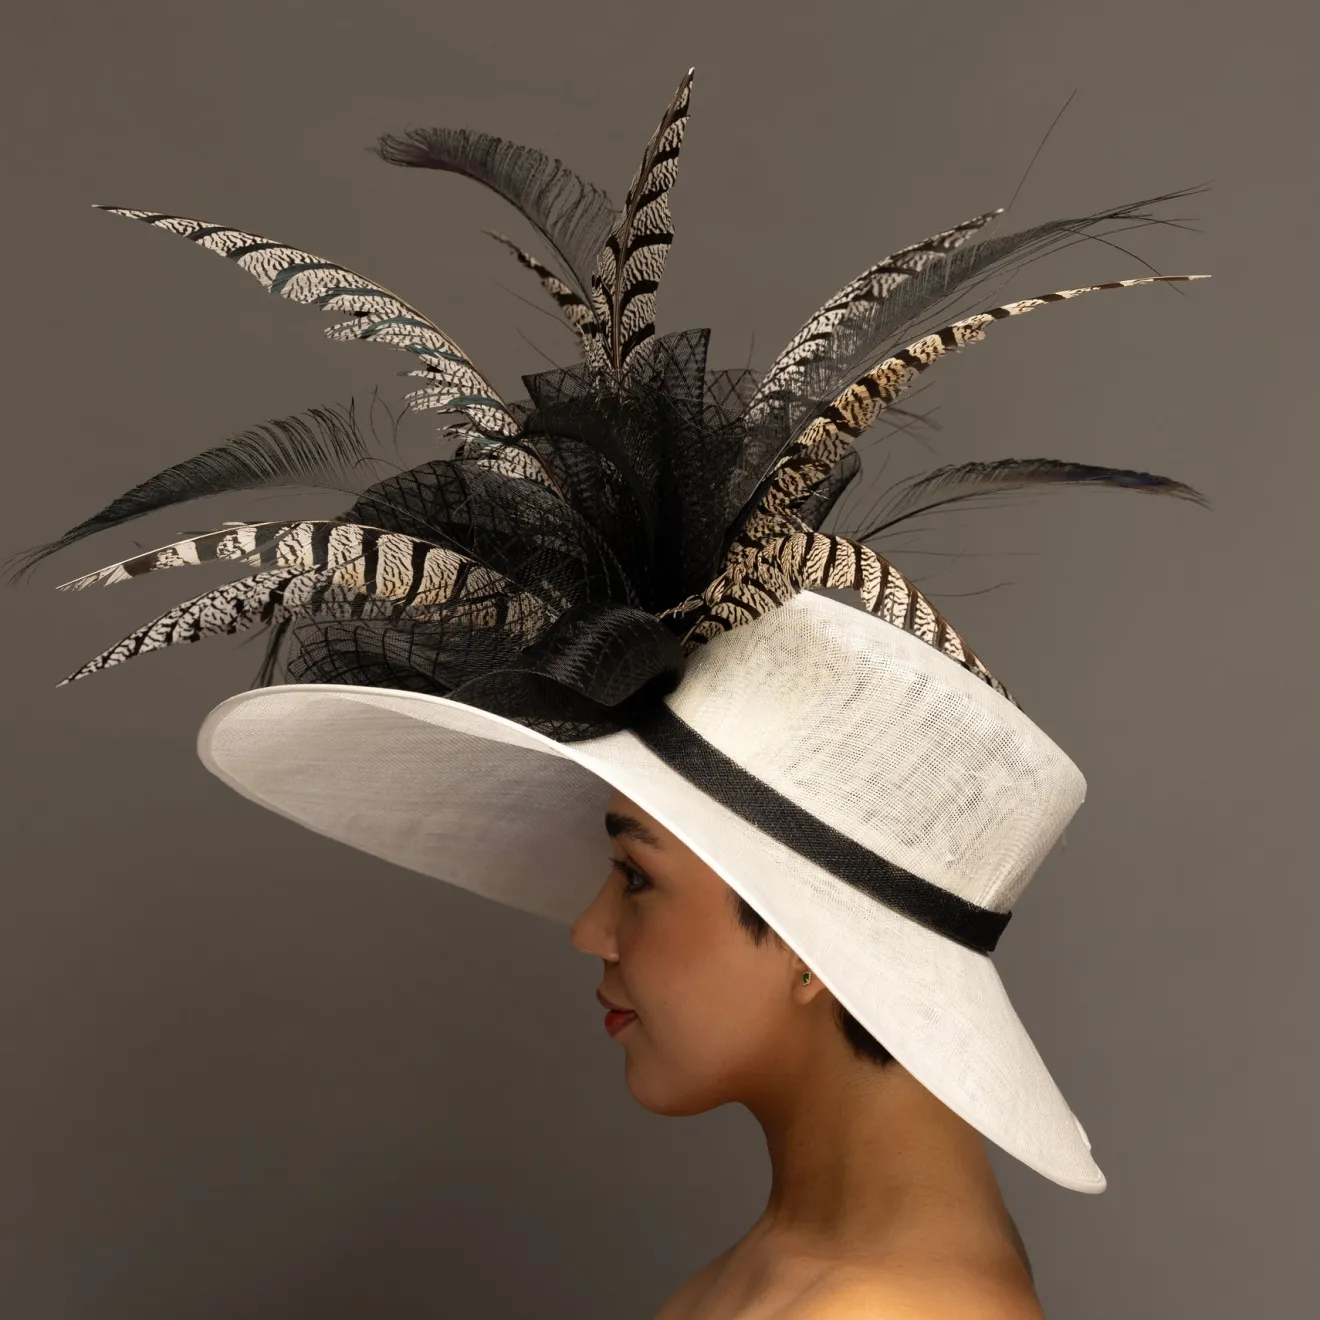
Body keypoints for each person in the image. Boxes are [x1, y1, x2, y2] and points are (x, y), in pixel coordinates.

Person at [12, 66, 1207, 1320]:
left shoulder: (886, 1309)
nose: (589, 929)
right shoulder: (791, 1276)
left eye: (635, 874)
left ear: (810, 943)